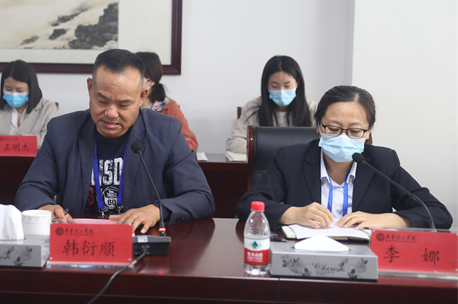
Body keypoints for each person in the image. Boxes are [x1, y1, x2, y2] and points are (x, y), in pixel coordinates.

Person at [15, 49, 215, 233]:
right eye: (102, 101)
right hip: (79, 239)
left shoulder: (166, 132)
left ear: (141, 96)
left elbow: (201, 197)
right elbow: (30, 189)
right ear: (90, 88)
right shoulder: (62, 131)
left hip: (140, 244)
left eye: (123, 104)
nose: (111, 113)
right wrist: (44, 207)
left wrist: (157, 210)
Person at [236, 85, 452, 230]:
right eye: (333, 128)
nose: (343, 137)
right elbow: (246, 204)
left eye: (355, 131)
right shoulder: (291, 159)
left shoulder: (383, 162)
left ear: (368, 131)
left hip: (366, 260)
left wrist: (387, 219)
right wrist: (293, 214)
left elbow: (438, 213)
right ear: (319, 126)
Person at [226, 55, 317, 154]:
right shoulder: (252, 108)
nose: (281, 91)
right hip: (265, 163)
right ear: (266, 85)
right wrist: (266, 149)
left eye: (287, 86)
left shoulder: (313, 110)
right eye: (274, 86)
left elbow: (323, 143)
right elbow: (233, 143)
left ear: (297, 83)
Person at [0, 60, 58, 148]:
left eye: (19, 90)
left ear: (31, 89)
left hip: (35, 157)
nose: (13, 94)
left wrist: (6, 143)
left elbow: (50, 139)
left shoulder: (48, 108)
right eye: (8, 89)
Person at [136, 51, 199, 151]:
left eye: (138, 77)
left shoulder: (168, 106)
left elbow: (190, 143)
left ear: (152, 81)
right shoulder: (124, 104)